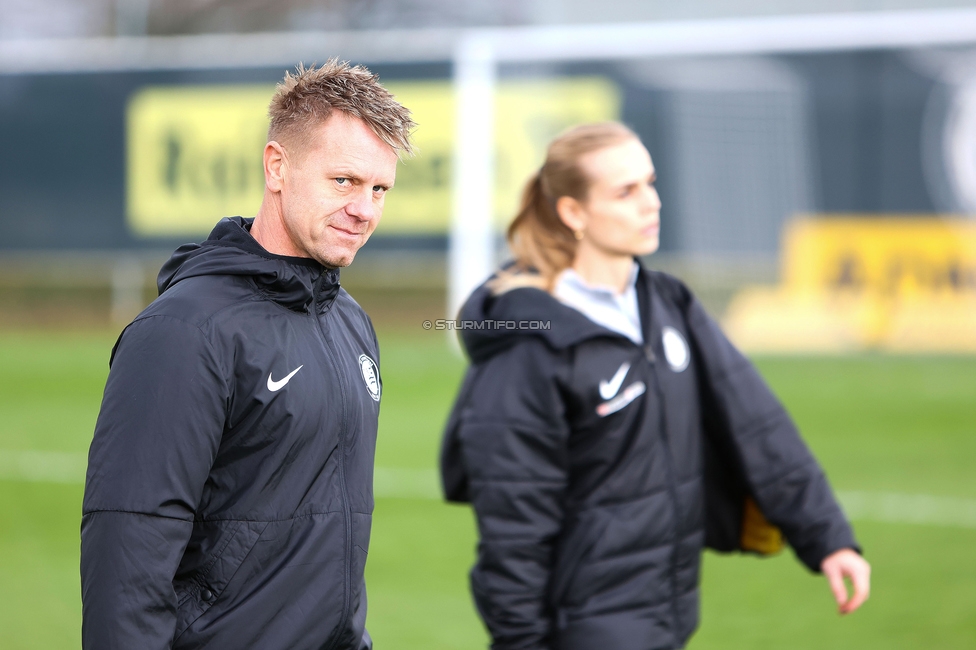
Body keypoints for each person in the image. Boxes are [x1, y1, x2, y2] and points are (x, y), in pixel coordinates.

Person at [440, 122, 870, 650]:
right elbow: (514, 529)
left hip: (669, 611)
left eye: (650, 183)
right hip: (583, 628)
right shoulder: (529, 345)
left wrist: (828, 538)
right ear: (574, 213)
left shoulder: (668, 302)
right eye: (626, 192)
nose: (652, 203)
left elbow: (757, 422)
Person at [81, 60, 414, 649]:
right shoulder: (184, 330)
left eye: (379, 188)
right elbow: (128, 550)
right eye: (344, 181)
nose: (364, 210)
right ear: (277, 167)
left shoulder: (350, 323)